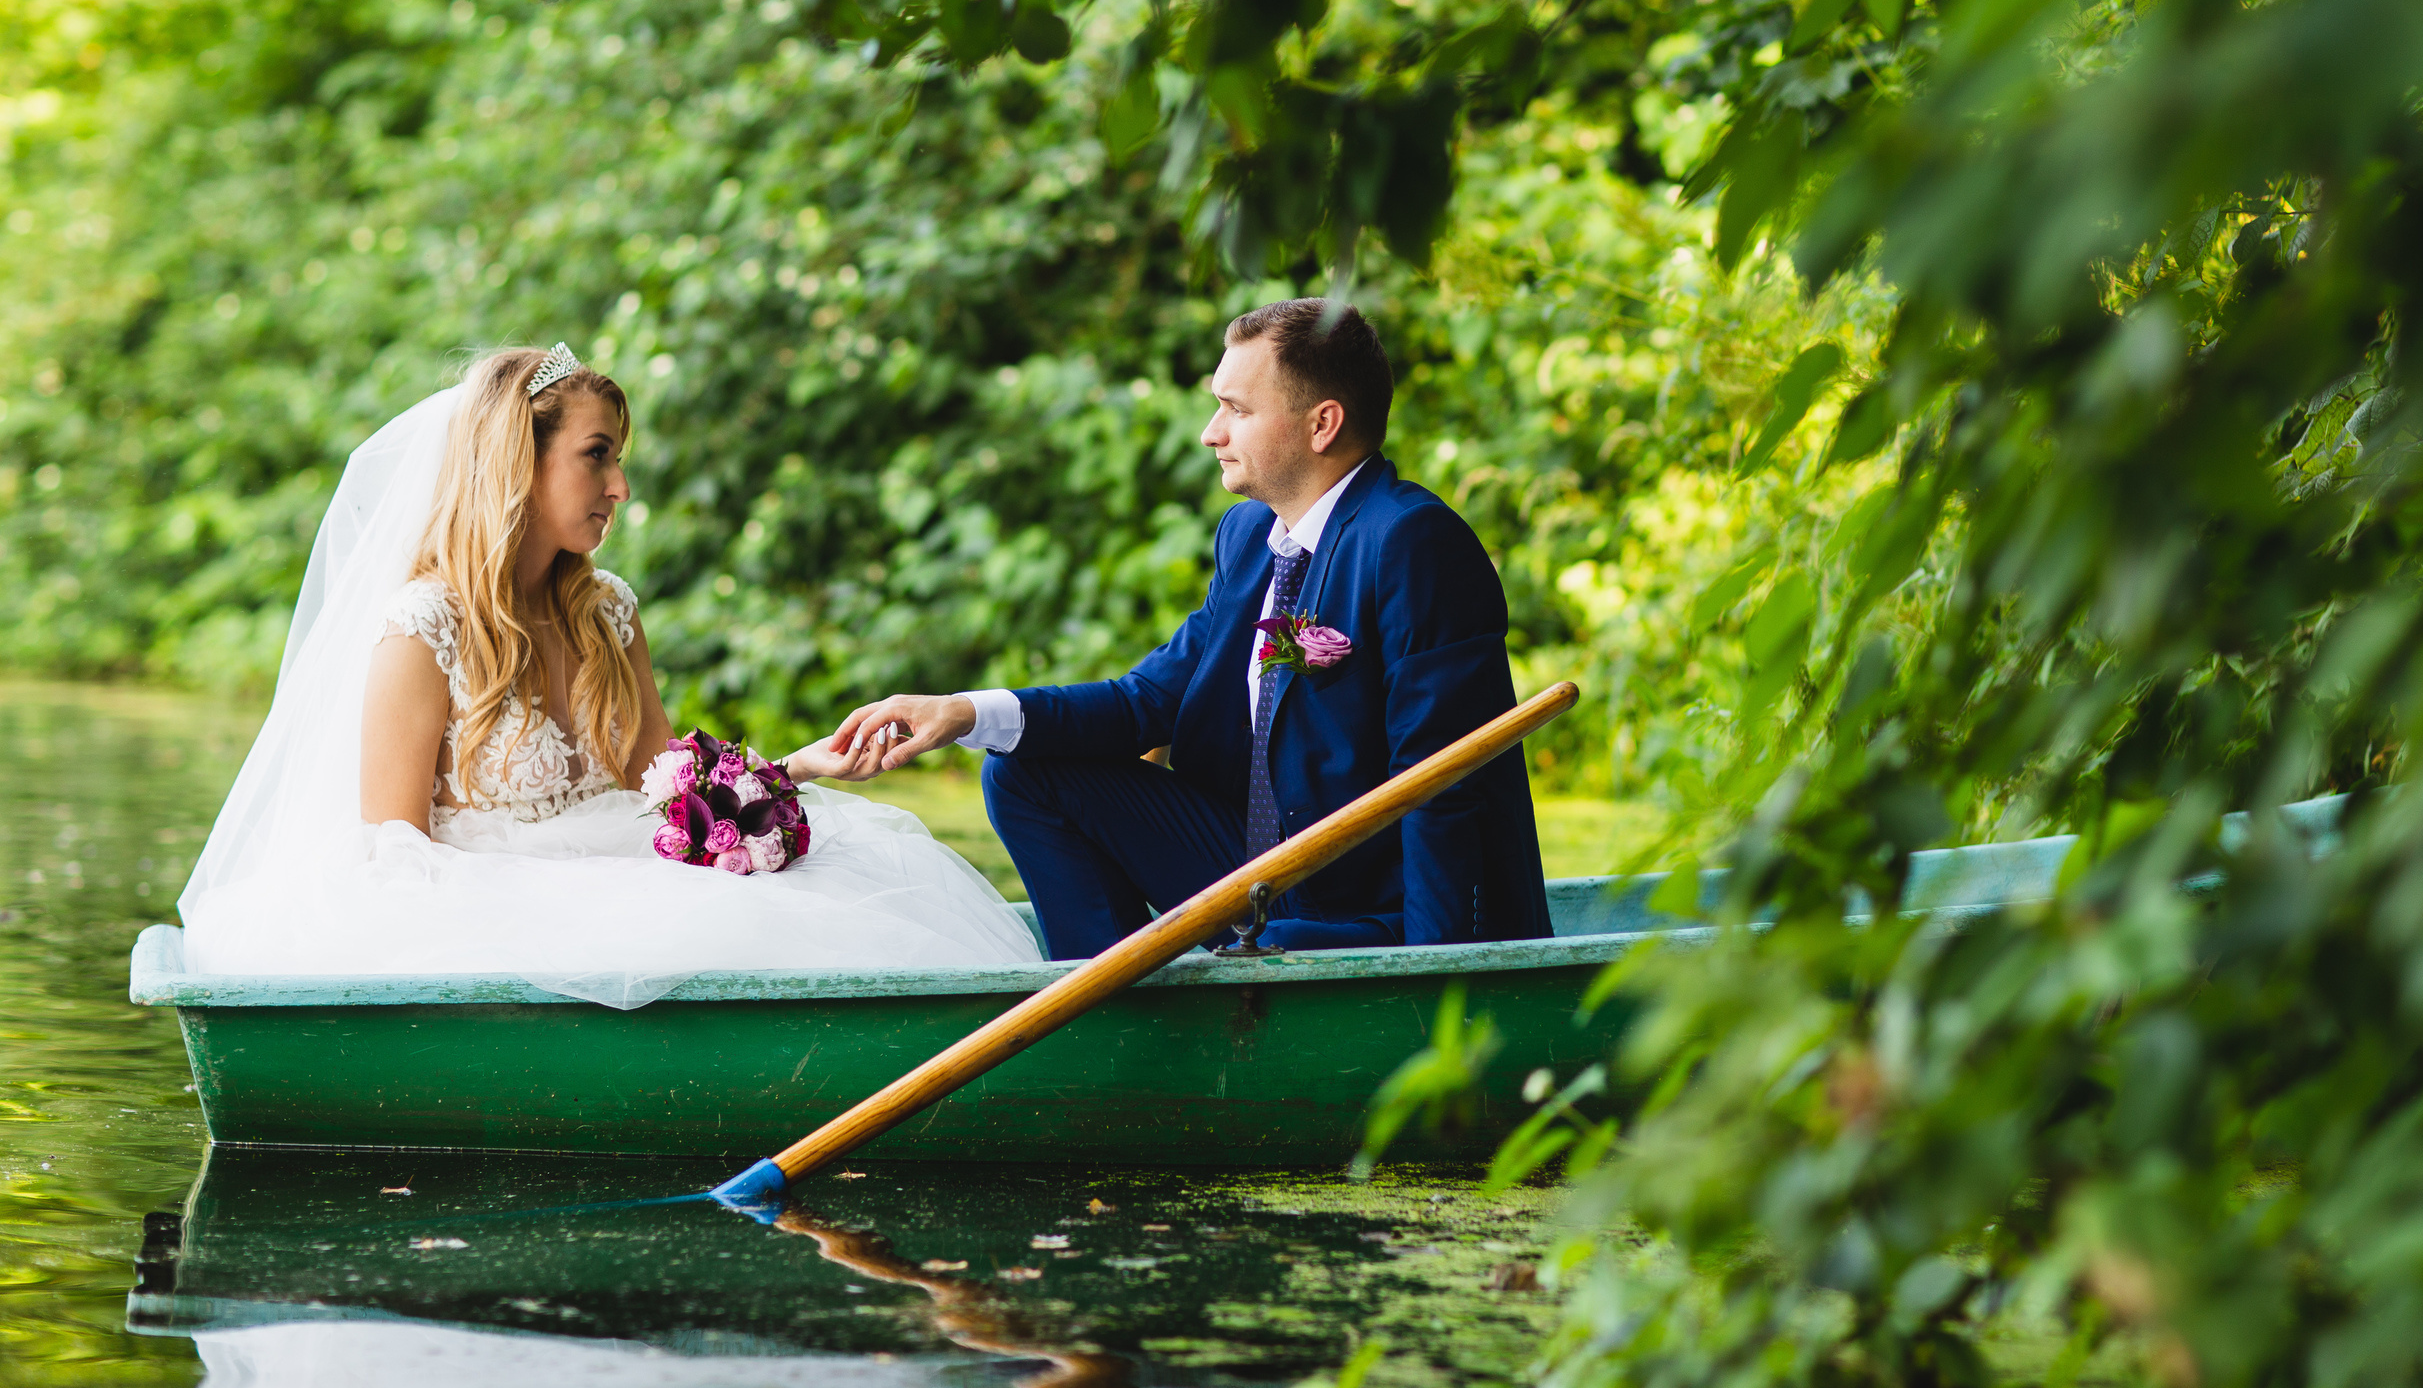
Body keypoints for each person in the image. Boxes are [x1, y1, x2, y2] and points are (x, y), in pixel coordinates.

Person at [178, 346, 1040, 1006]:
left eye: (618, 458)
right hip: (492, 909)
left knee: (839, 897)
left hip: (630, 874)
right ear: (520, 458)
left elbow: (664, 795)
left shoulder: (608, 610)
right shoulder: (422, 626)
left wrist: (800, 768)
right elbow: (391, 853)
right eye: (597, 455)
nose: (620, 485)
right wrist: (537, 913)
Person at [830, 298, 1549, 960]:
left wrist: (1438, 976)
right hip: (1255, 863)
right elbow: (1148, 701)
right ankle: (1115, 1008)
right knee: (1022, 769)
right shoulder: (1249, 535)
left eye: (1235, 408)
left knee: (1276, 941)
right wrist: (964, 713)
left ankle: (1194, 993)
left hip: (1366, 905)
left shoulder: (1410, 541)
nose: (1211, 433)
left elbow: (1440, 787)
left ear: (1321, 423)